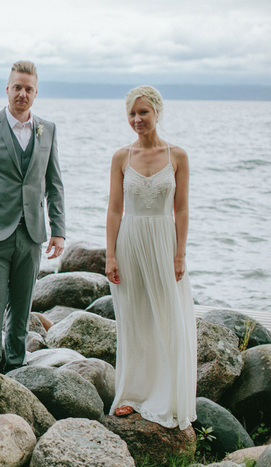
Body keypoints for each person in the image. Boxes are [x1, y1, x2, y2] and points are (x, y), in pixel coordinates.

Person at [0, 60, 66, 373]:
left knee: (22, 306)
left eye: (29, 89)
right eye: (17, 87)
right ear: (7, 89)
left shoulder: (47, 129)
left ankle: (17, 366)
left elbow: (54, 183)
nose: (22, 93)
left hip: (31, 233)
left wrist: (58, 230)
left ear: (36, 93)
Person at [105, 85, 197, 429]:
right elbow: (115, 209)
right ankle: (132, 395)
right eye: (131, 113)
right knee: (135, 320)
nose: (137, 119)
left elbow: (183, 209)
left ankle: (169, 396)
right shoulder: (120, 157)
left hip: (163, 240)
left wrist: (179, 253)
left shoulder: (178, 156)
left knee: (168, 317)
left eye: (143, 112)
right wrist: (110, 255)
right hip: (130, 241)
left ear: (157, 112)